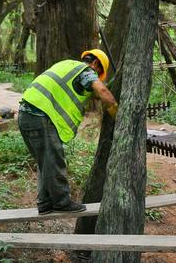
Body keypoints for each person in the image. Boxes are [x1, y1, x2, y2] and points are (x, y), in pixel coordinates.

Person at [18, 49, 118, 215]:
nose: (96, 76)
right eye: (98, 72)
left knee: (46, 162)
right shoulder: (85, 71)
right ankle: (62, 202)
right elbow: (103, 92)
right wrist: (116, 114)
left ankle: (45, 203)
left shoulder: (67, 65)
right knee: (54, 160)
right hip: (41, 116)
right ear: (95, 64)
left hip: (26, 115)